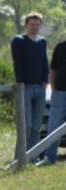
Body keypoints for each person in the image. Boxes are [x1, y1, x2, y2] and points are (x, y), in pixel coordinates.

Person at [11, 12, 48, 153]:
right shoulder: (18, 40)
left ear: (41, 25)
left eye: (37, 25)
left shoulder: (42, 41)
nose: (34, 27)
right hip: (25, 88)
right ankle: (20, 157)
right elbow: (17, 63)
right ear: (26, 25)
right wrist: (20, 82)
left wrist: (45, 80)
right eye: (32, 24)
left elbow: (45, 61)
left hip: (40, 88)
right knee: (25, 125)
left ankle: (33, 156)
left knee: (36, 127)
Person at [38, 38, 66, 167]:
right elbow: (53, 70)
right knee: (53, 126)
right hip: (59, 92)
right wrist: (54, 89)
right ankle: (49, 157)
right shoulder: (60, 47)